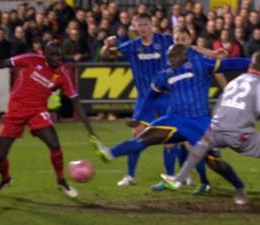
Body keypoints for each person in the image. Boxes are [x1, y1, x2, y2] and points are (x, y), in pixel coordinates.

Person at [91, 44, 250, 197]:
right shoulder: (164, 75)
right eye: (169, 56)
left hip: (199, 122)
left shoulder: (200, 64)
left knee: (215, 162)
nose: (170, 59)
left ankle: (239, 187)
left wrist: (253, 64)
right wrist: (138, 118)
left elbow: (231, 63)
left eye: (174, 55)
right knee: (143, 137)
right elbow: (149, 97)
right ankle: (109, 152)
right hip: (174, 119)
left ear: (183, 55)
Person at [0, 41, 97, 198]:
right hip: (15, 111)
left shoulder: (63, 74)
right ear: (44, 54)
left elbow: (75, 101)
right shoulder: (31, 59)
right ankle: (5, 179)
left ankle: (61, 180)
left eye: (59, 55)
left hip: (38, 112)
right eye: (53, 55)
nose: (57, 58)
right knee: (0, 156)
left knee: (54, 145)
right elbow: (2, 63)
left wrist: (90, 129)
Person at [100, 13, 198, 191]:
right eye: (140, 25)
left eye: (146, 24)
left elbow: (187, 49)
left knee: (172, 138)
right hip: (145, 99)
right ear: (135, 27)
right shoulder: (131, 46)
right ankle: (130, 175)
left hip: (166, 97)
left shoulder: (166, 40)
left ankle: (175, 175)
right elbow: (106, 56)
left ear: (151, 25)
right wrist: (106, 46)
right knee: (137, 135)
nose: (143, 28)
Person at [161, 51, 260, 205]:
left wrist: (212, 126)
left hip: (216, 129)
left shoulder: (236, 80)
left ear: (251, 65)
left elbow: (220, 103)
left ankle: (179, 178)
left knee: (202, 144)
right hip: (240, 136)